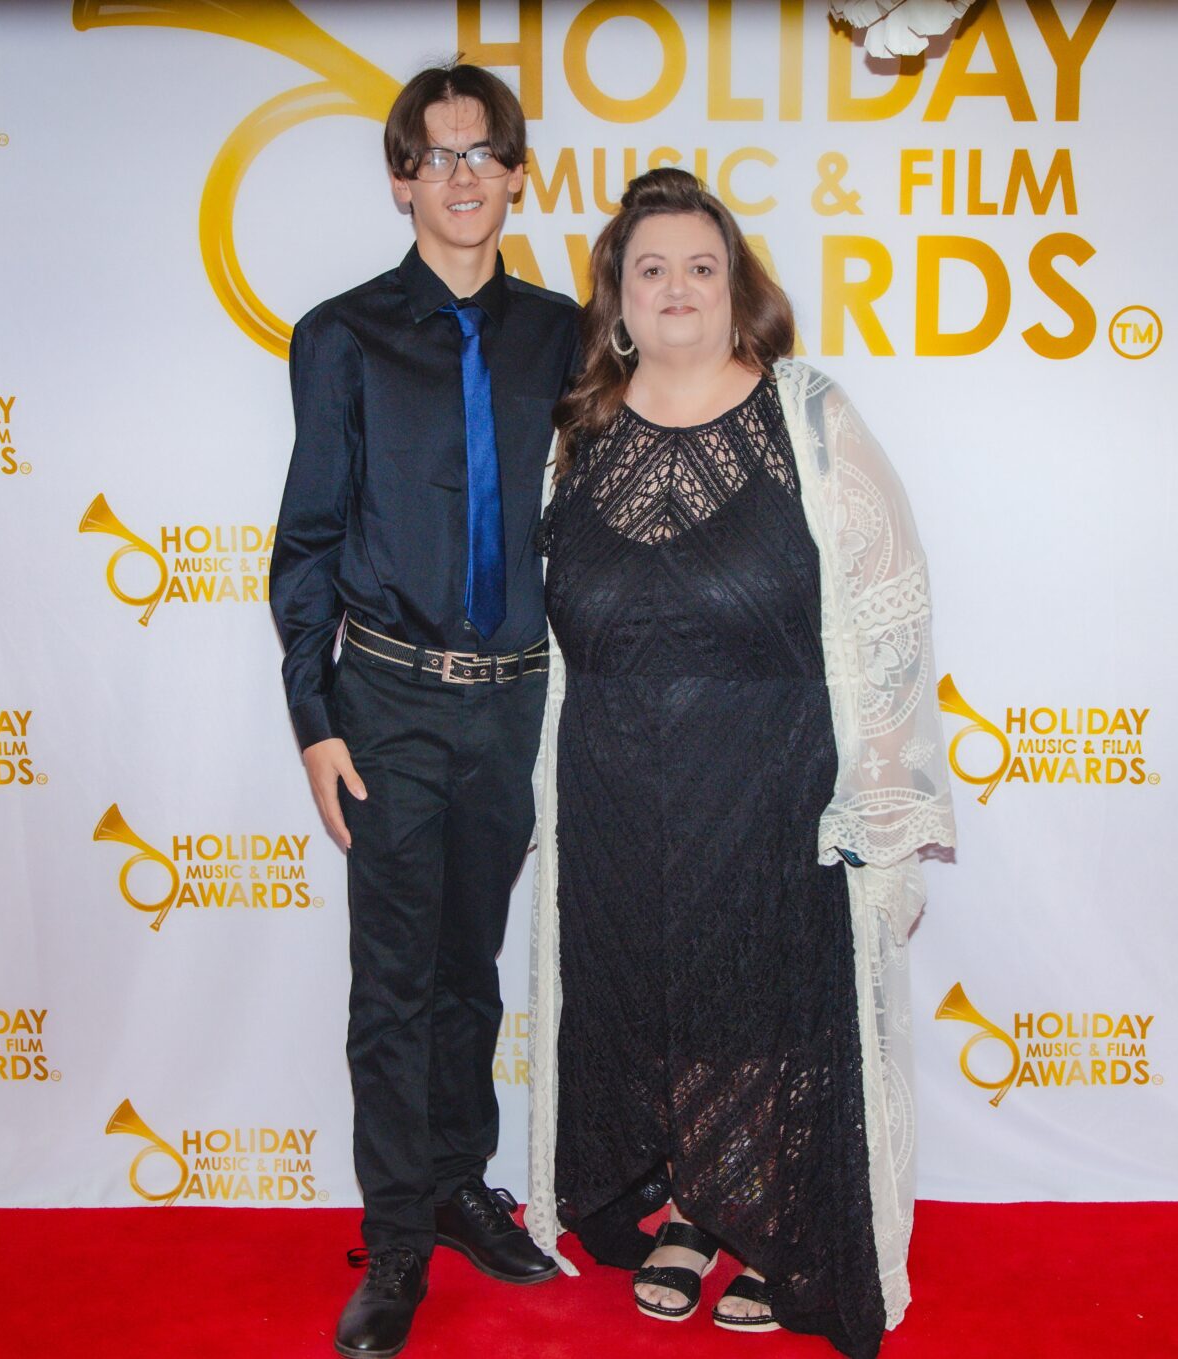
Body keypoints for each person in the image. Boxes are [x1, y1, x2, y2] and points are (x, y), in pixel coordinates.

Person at [524, 168, 955, 1357]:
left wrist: (877, 776)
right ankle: (695, 1208)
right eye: (649, 268)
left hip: (775, 772)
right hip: (613, 782)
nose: (676, 288)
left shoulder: (808, 419)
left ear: (735, 290)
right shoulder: (575, 435)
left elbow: (887, 600)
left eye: (699, 267)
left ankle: (764, 1219)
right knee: (648, 993)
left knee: (767, 990)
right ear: (616, 299)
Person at [269, 63, 577, 1359]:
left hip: (512, 703)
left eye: (481, 153)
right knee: (393, 982)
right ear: (401, 180)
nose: (459, 176)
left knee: (469, 970)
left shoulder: (562, 332)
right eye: (434, 156)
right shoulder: (340, 334)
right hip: (385, 699)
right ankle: (397, 1240)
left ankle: (460, 1183)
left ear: (517, 173)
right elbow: (306, 537)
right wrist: (312, 713)